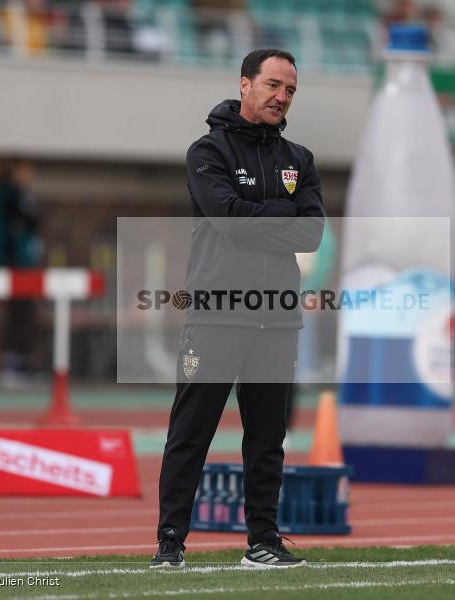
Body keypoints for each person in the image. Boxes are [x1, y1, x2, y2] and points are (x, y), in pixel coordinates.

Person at [151, 49, 325, 569]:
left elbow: (312, 232)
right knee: (191, 432)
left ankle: (263, 542)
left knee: (268, 437)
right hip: (216, 314)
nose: (281, 97)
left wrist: (261, 218)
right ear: (245, 84)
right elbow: (227, 219)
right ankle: (170, 543)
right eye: (273, 85)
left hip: (278, 318)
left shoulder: (301, 159)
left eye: (290, 90)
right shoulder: (207, 151)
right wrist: (279, 214)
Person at [0, 158, 43, 384]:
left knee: (25, 312)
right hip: (15, 262)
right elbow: (14, 229)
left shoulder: (20, 195)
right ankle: (11, 364)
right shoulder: (8, 196)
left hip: (25, 261)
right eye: (26, 170)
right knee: (18, 312)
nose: (30, 174)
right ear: (16, 171)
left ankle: (22, 362)